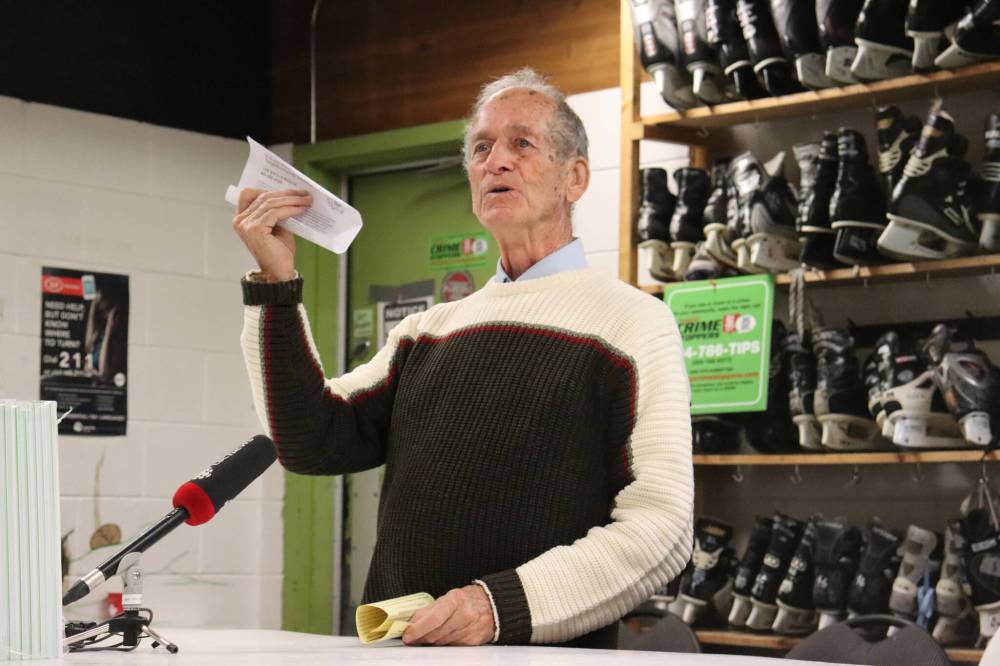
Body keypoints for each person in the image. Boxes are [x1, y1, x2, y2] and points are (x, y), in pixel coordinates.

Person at [232, 68, 692, 649]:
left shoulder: (633, 323)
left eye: (522, 143)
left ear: (574, 178)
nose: (496, 161)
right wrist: (276, 283)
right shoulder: (428, 331)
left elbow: (663, 530)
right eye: (481, 147)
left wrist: (497, 607)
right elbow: (307, 438)